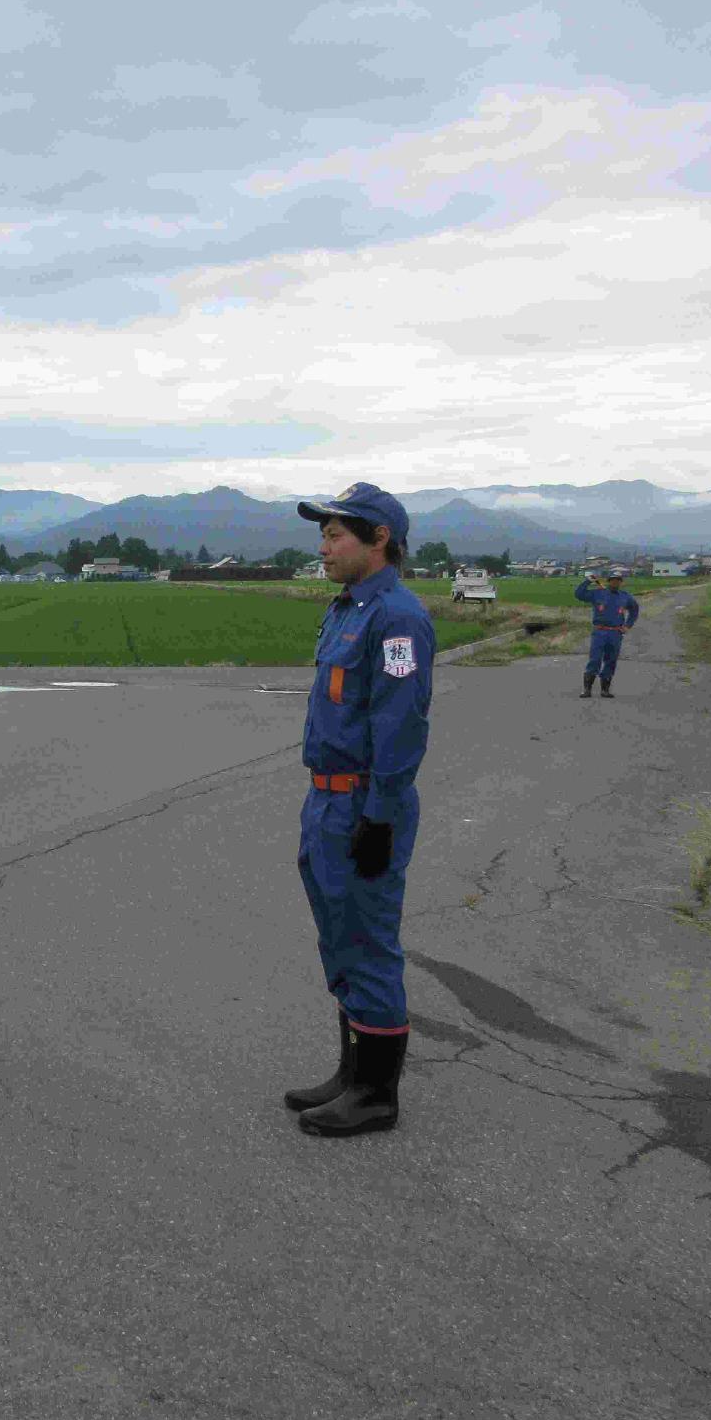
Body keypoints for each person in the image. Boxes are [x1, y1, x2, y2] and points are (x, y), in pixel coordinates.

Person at [283, 482, 435, 1137]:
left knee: (368, 942)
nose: (324, 547)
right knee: (339, 935)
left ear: (379, 540)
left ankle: (376, 1094)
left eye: (335, 535)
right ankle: (351, 1072)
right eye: (322, 535)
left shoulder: (396, 617)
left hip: (364, 805)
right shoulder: (348, 609)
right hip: (326, 798)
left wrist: (380, 816)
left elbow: (401, 724)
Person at [575, 568, 639, 698]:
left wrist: (628, 625)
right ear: (609, 581)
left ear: (621, 582)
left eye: (618, 580)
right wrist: (588, 581)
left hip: (615, 633)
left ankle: (605, 690)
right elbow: (579, 594)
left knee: (611, 660)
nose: (615, 582)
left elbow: (634, 610)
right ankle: (587, 690)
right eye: (613, 580)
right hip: (600, 632)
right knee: (595, 659)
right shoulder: (598, 593)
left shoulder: (625, 596)